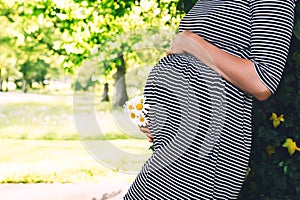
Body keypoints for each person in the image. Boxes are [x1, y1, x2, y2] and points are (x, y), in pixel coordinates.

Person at [124, 0, 297, 199]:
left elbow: (262, 81)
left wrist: (193, 43)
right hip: (179, 142)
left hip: (207, 148)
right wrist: (160, 115)